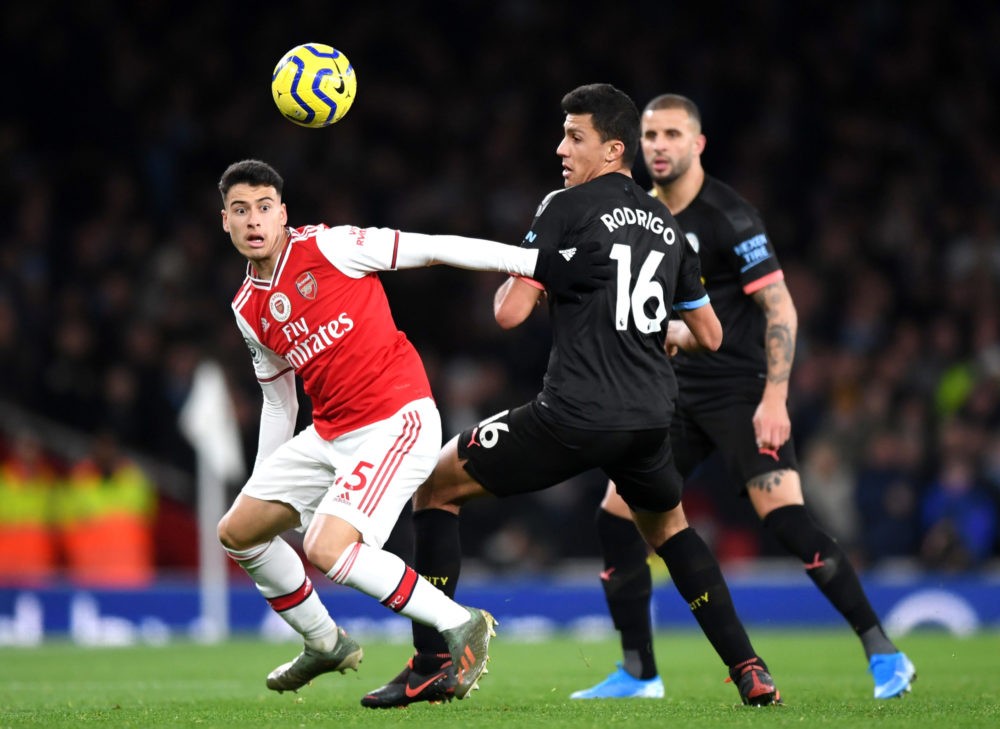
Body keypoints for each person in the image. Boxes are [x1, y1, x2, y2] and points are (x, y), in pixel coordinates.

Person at [362, 83, 782, 709]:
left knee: (436, 483)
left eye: (575, 136)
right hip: (649, 417)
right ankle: (750, 668)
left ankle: (431, 663)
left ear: (614, 149)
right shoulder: (667, 224)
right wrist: (656, 332)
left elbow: (509, 314)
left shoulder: (564, 206)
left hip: (576, 414)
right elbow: (713, 335)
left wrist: (519, 266)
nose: (561, 148)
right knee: (671, 528)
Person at [215, 159, 606, 698]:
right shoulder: (247, 306)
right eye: (241, 210)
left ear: (283, 214)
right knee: (237, 531)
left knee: (327, 549)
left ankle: (462, 623)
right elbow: (279, 402)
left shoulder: (333, 248)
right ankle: (325, 642)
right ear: (226, 222)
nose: (254, 220)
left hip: (396, 421)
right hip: (330, 434)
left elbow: (437, 246)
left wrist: (536, 264)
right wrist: (266, 483)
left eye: (264, 208)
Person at [570, 94, 916, 702]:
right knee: (617, 517)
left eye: (673, 134)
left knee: (786, 520)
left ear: (697, 144)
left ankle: (883, 651)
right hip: (672, 397)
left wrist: (775, 398)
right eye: (650, 134)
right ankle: (639, 673)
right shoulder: (640, 217)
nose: (659, 145)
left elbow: (779, 305)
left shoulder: (730, 216)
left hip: (740, 394)